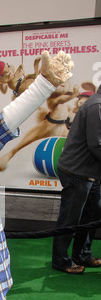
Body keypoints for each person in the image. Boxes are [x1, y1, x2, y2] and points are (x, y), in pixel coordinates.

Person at [52, 84, 101, 274]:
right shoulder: (96, 106)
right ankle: (61, 260)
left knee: (93, 213)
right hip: (77, 171)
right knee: (70, 218)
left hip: (89, 173)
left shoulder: (96, 104)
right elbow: (96, 145)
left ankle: (82, 254)